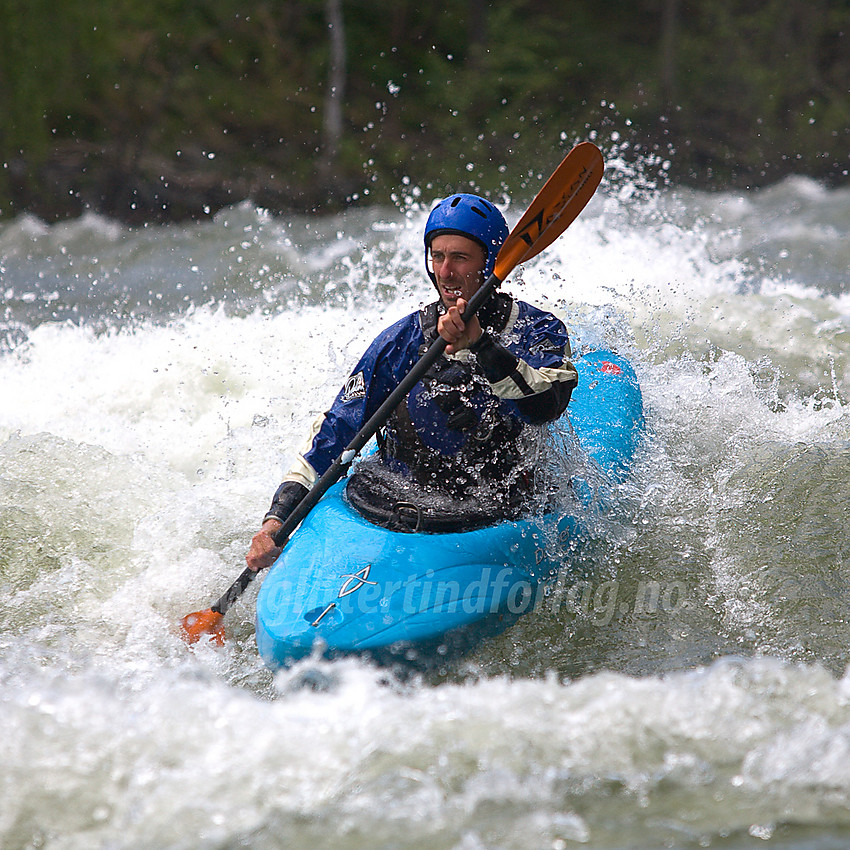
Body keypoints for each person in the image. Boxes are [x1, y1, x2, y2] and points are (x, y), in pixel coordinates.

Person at [246, 193, 578, 571]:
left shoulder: (536, 330)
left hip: (499, 513)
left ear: (490, 264)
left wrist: (481, 345)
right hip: (398, 510)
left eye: (460, 257)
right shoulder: (399, 342)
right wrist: (276, 519)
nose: (445, 272)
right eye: (437, 256)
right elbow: (337, 430)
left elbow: (545, 406)